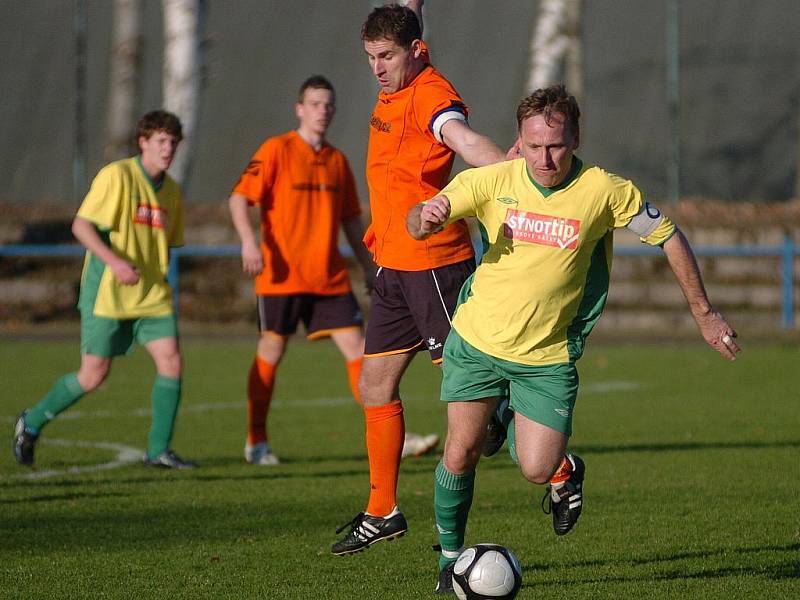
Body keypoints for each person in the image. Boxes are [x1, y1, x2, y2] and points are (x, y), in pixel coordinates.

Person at [406, 84, 742, 593]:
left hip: (547, 356)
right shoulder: (492, 180)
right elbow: (420, 218)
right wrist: (425, 219)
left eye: (557, 145)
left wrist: (705, 312)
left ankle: (559, 466)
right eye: (535, 145)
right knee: (460, 453)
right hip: (477, 341)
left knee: (537, 469)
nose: (545, 158)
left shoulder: (604, 190)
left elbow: (669, 235)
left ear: (576, 138)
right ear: (519, 139)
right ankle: (448, 562)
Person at [331, 1, 509, 556]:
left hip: (434, 265)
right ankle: (382, 508)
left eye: (386, 56)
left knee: (468, 390)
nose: (377, 68)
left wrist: (508, 170)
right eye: (369, 57)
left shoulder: (430, 94)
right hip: (392, 265)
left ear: (413, 51)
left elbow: (459, 137)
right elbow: (406, 12)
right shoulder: (405, 55)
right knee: (374, 385)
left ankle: (555, 468)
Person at [13, 110, 195, 469]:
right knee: (93, 375)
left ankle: (158, 451)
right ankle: (31, 423)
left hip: (150, 295)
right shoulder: (118, 176)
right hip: (108, 293)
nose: (168, 149)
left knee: (171, 360)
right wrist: (114, 261)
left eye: (173, 142)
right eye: (161, 141)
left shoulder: (172, 191)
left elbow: (166, 244)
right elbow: (81, 226)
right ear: (143, 143)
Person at [228, 75, 384, 465]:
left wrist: (368, 267)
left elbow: (351, 222)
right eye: (315, 104)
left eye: (328, 104)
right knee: (273, 349)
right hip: (281, 278)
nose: (323, 111)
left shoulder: (337, 161)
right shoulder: (276, 150)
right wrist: (249, 242)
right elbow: (238, 199)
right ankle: (256, 440)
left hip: (328, 278)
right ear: (300, 109)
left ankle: (383, 434)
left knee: (360, 350)